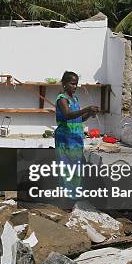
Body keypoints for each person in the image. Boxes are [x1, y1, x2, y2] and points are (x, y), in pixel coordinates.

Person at [55, 71, 99, 201]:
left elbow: (78, 119)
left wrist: (90, 114)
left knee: (76, 169)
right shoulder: (62, 99)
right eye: (72, 84)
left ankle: (73, 197)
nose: (75, 86)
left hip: (76, 138)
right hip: (65, 139)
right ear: (64, 84)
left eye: (76, 84)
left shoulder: (75, 99)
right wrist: (86, 109)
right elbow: (68, 115)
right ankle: (65, 199)